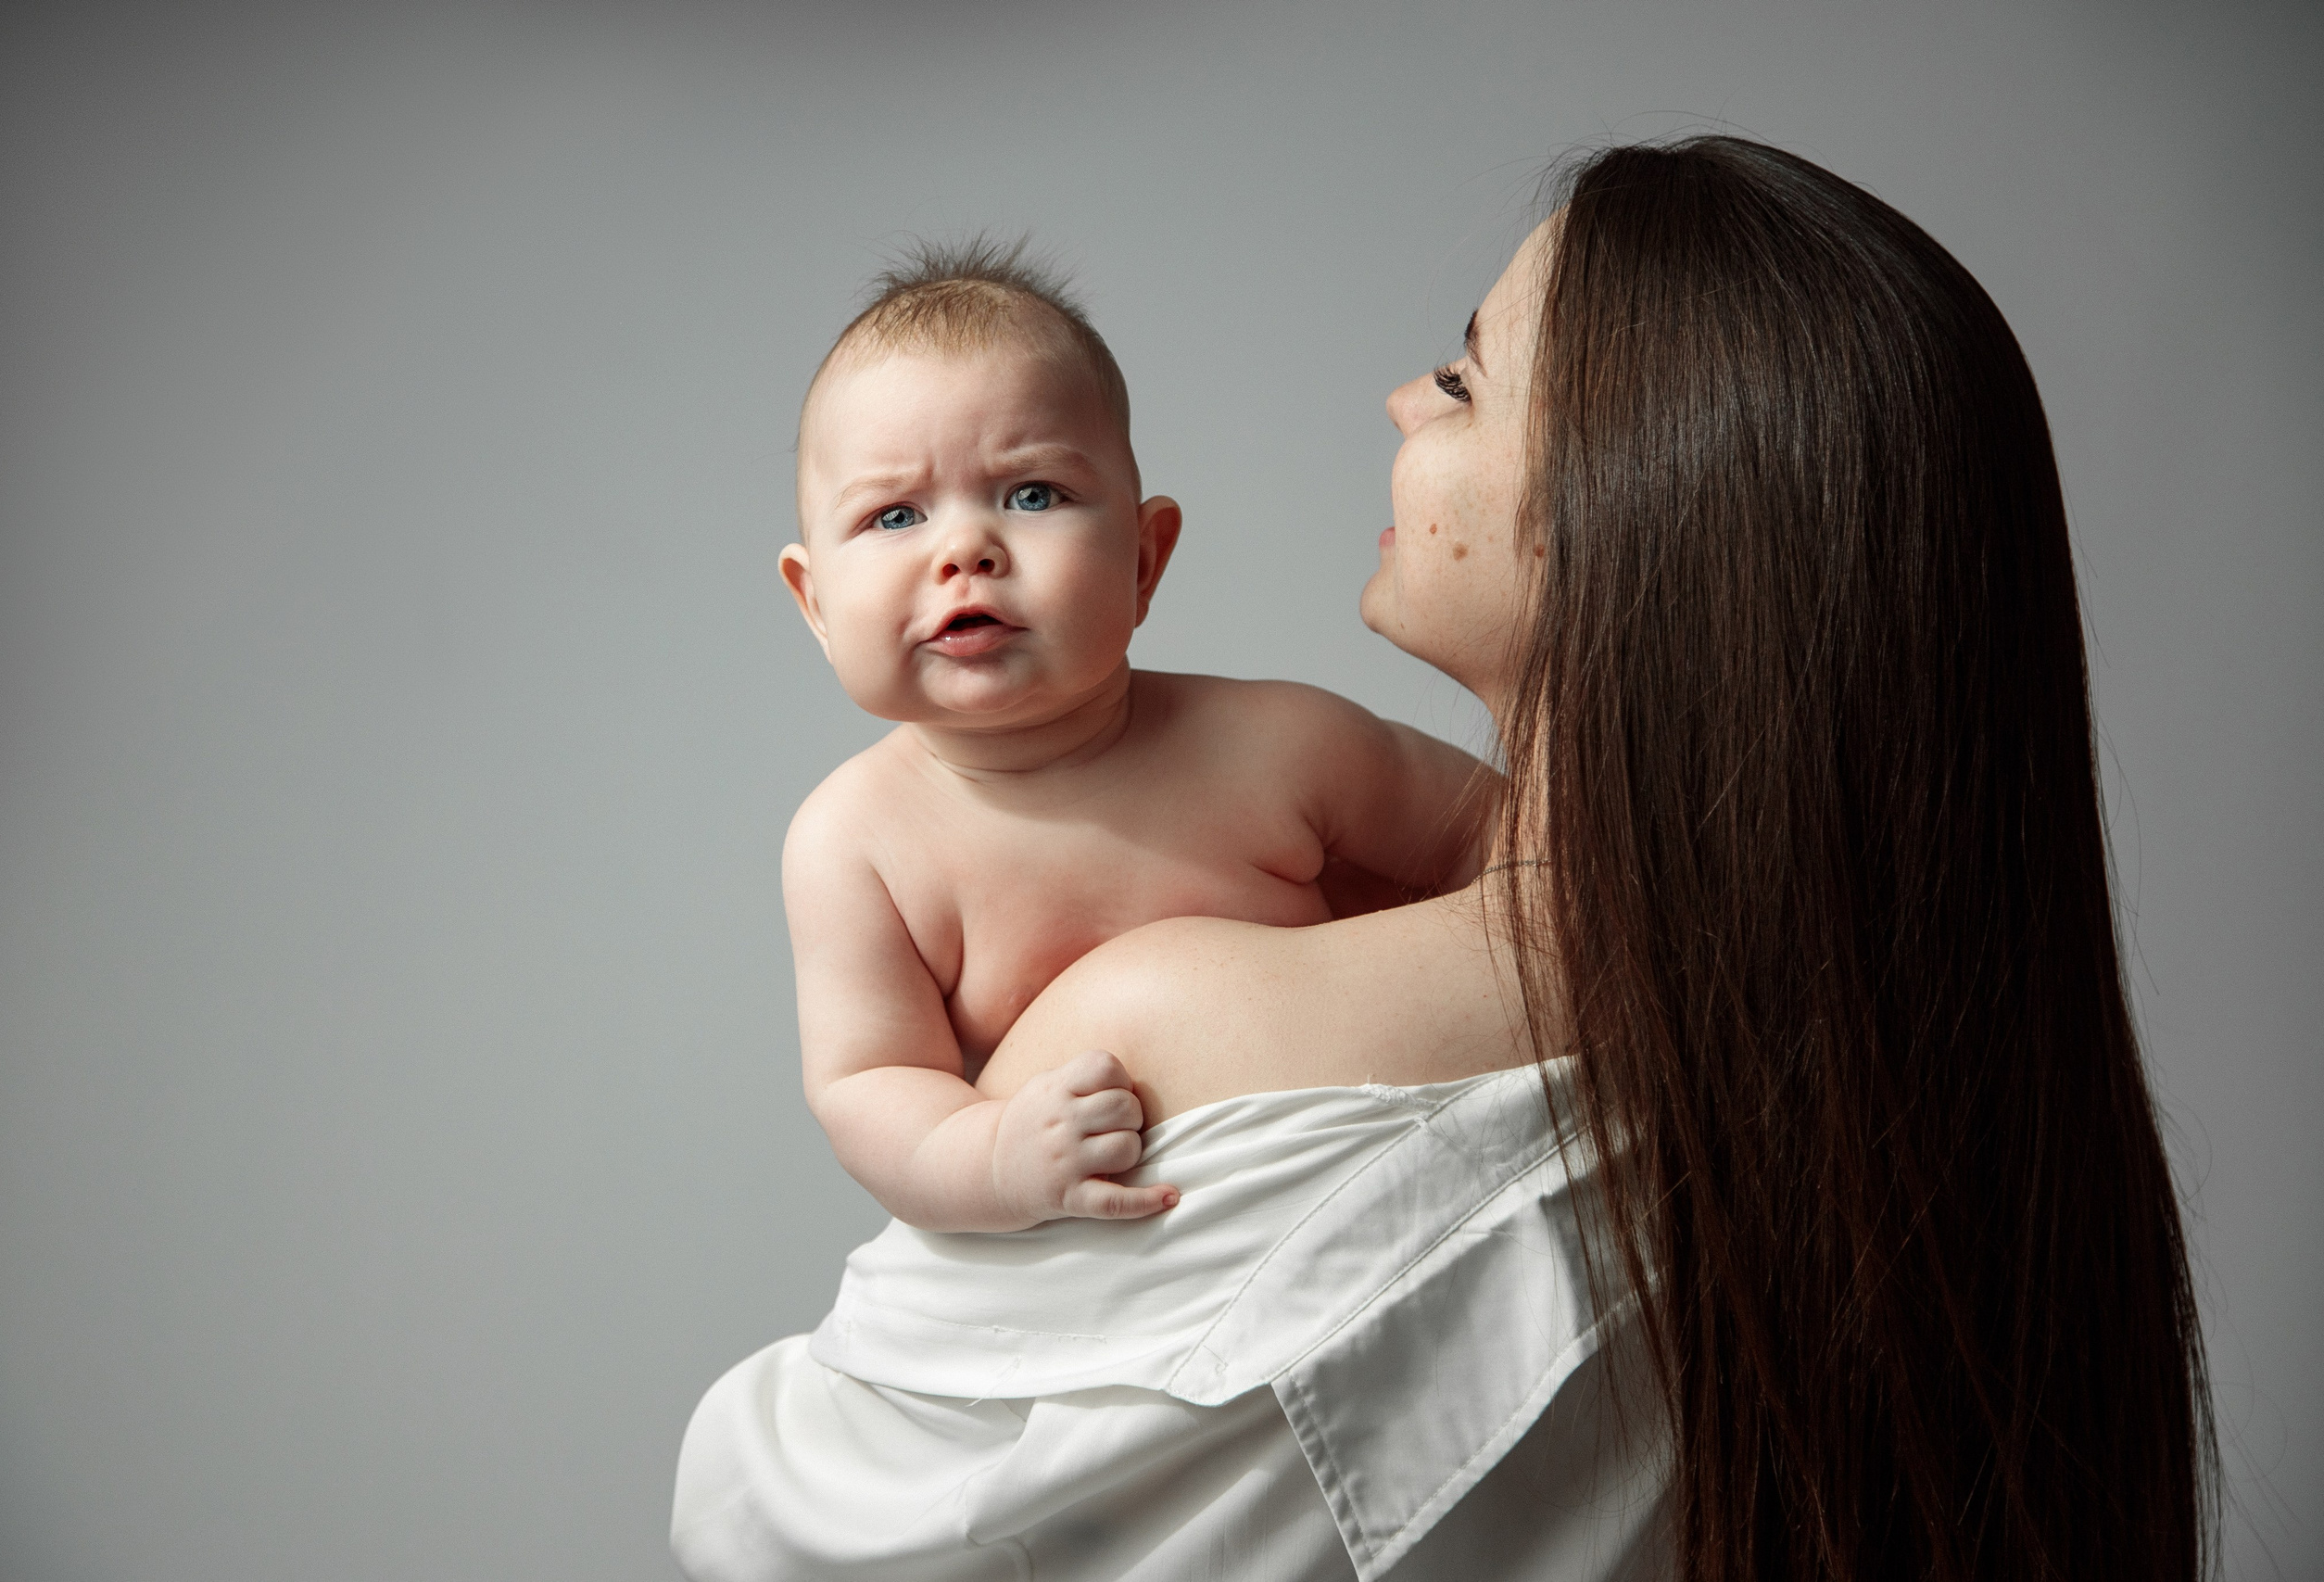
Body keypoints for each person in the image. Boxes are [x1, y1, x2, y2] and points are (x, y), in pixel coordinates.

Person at [676, 136, 2214, 1581]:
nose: (1406, 399)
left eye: (1467, 380)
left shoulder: (1172, 998)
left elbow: (808, 1520)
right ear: (810, 591)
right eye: (894, 515)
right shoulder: (1928, 1074)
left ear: (1633, 507)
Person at [777, 243, 1490, 1232]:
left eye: (1032, 494)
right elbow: (868, 1083)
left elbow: (1518, 844)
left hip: (1358, 1221)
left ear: (1144, 560)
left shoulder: (1281, 745)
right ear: (815, 603)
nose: (964, 549)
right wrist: (993, 1156)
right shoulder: (855, 846)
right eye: (895, 514)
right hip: (1106, 1273)